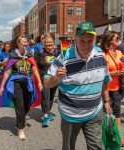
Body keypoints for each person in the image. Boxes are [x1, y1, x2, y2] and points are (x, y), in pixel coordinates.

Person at [44, 21, 111, 150]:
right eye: (82, 41)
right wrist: (57, 78)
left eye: (89, 41)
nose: (86, 45)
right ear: (75, 40)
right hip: (70, 115)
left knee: (96, 147)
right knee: (69, 147)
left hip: (94, 113)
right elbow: (46, 82)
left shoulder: (100, 56)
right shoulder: (64, 58)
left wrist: (107, 101)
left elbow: (105, 80)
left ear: (95, 39)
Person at [0, 36, 43, 140]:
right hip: (16, 83)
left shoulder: (30, 53)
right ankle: (20, 128)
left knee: (27, 105)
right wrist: (2, 86)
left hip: (28, 82)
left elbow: (34, 68)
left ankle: (22, 117)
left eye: (26, 42)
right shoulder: (13, 55)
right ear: (18, 44)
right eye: (23, 43)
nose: (25, 44)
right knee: (20, 106)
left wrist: (39, 82)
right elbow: (7, 72)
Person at [100, 31, 124, 146]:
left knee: (117, 111)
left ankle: (117, 135)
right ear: (110, 40)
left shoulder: (119, 52)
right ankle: (105, 133)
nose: (118, 39)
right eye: (116, 38)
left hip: (117, 87)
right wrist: (114, 73)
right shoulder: (102, 54)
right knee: (105, 111)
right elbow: (100, 72)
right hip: (105, 87)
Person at [34, 36, 59, 127]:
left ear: (53, 43)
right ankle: (45, 117)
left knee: (51, 97)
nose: (49, 44)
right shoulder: (40, 53)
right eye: (47, 43)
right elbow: (33, 64)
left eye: (51, 42)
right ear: (44, 44)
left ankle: (48, 112)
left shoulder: (57, 52)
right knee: (45, 96)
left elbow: (63, 62)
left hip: (55, 79)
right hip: (44, 79)